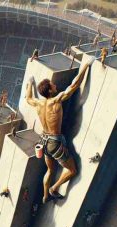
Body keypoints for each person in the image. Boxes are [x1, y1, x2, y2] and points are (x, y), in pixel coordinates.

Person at [26, 58, 94, 203]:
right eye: (52, 85)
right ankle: (53, 189)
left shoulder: (38, 103)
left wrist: (30, 83)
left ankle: (45, 196)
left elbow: (28, 98)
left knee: (50, 170)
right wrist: (86, 65)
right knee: (72, 170)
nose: (55, 85)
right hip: (54, 143)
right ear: (50, 90)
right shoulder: (56, 101)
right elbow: (74, 85)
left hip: (44, 142)